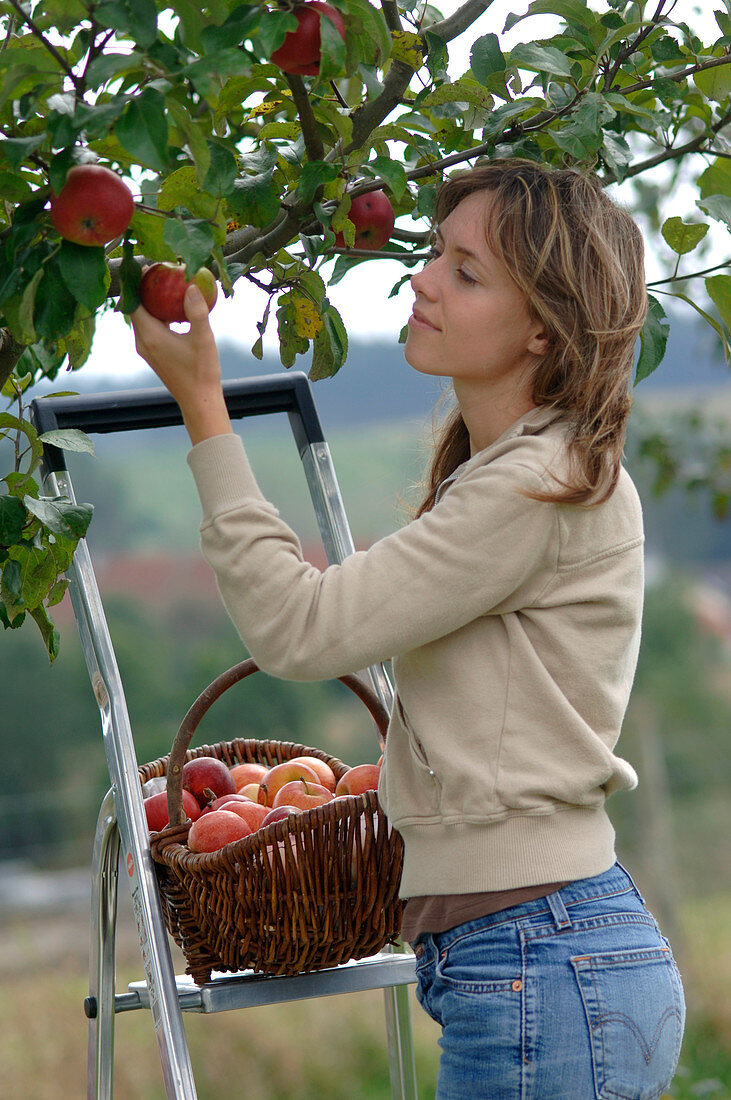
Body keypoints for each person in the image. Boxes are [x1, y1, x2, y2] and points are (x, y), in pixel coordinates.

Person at [131, 158, 686, 1099]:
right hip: (539, 953)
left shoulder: (532, 486)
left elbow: (300, 631)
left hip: (541, 957)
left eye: (465, 272)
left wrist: (204, 412)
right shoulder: (518, 471)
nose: (423, 278)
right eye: (435, 254)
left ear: (544, 328)